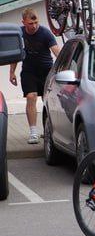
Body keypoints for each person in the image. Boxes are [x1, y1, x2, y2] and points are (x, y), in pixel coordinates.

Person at [8, 8, 60, 144]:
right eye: (31, 23)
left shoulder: (45, 33)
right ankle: (33, 132)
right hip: (29, 71)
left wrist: (63, 68)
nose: (34, 26)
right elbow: (15, 53)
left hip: (46, 70)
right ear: (23, 22)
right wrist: (12, 72)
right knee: (31, 97)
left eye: (36, 22)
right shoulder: (19, 33)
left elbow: (56, 52)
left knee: (47, 100)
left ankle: (48, 130)